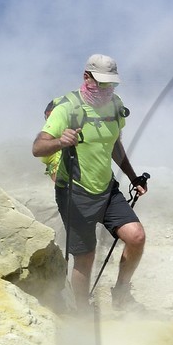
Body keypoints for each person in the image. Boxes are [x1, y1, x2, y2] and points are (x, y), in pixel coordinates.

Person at [31, 54, 149, 309]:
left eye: (112, 84)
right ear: (87, 77)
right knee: (85, 258)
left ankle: (121, 293)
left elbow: (115, 144)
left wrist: (132, 176)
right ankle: (82, 312)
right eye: (102, 83)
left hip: (106, 189)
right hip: (75, 192)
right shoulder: (67, 108)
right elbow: (38, 147)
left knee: (136, 237)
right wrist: (61, 141)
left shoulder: (115, 105)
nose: (108, 89)